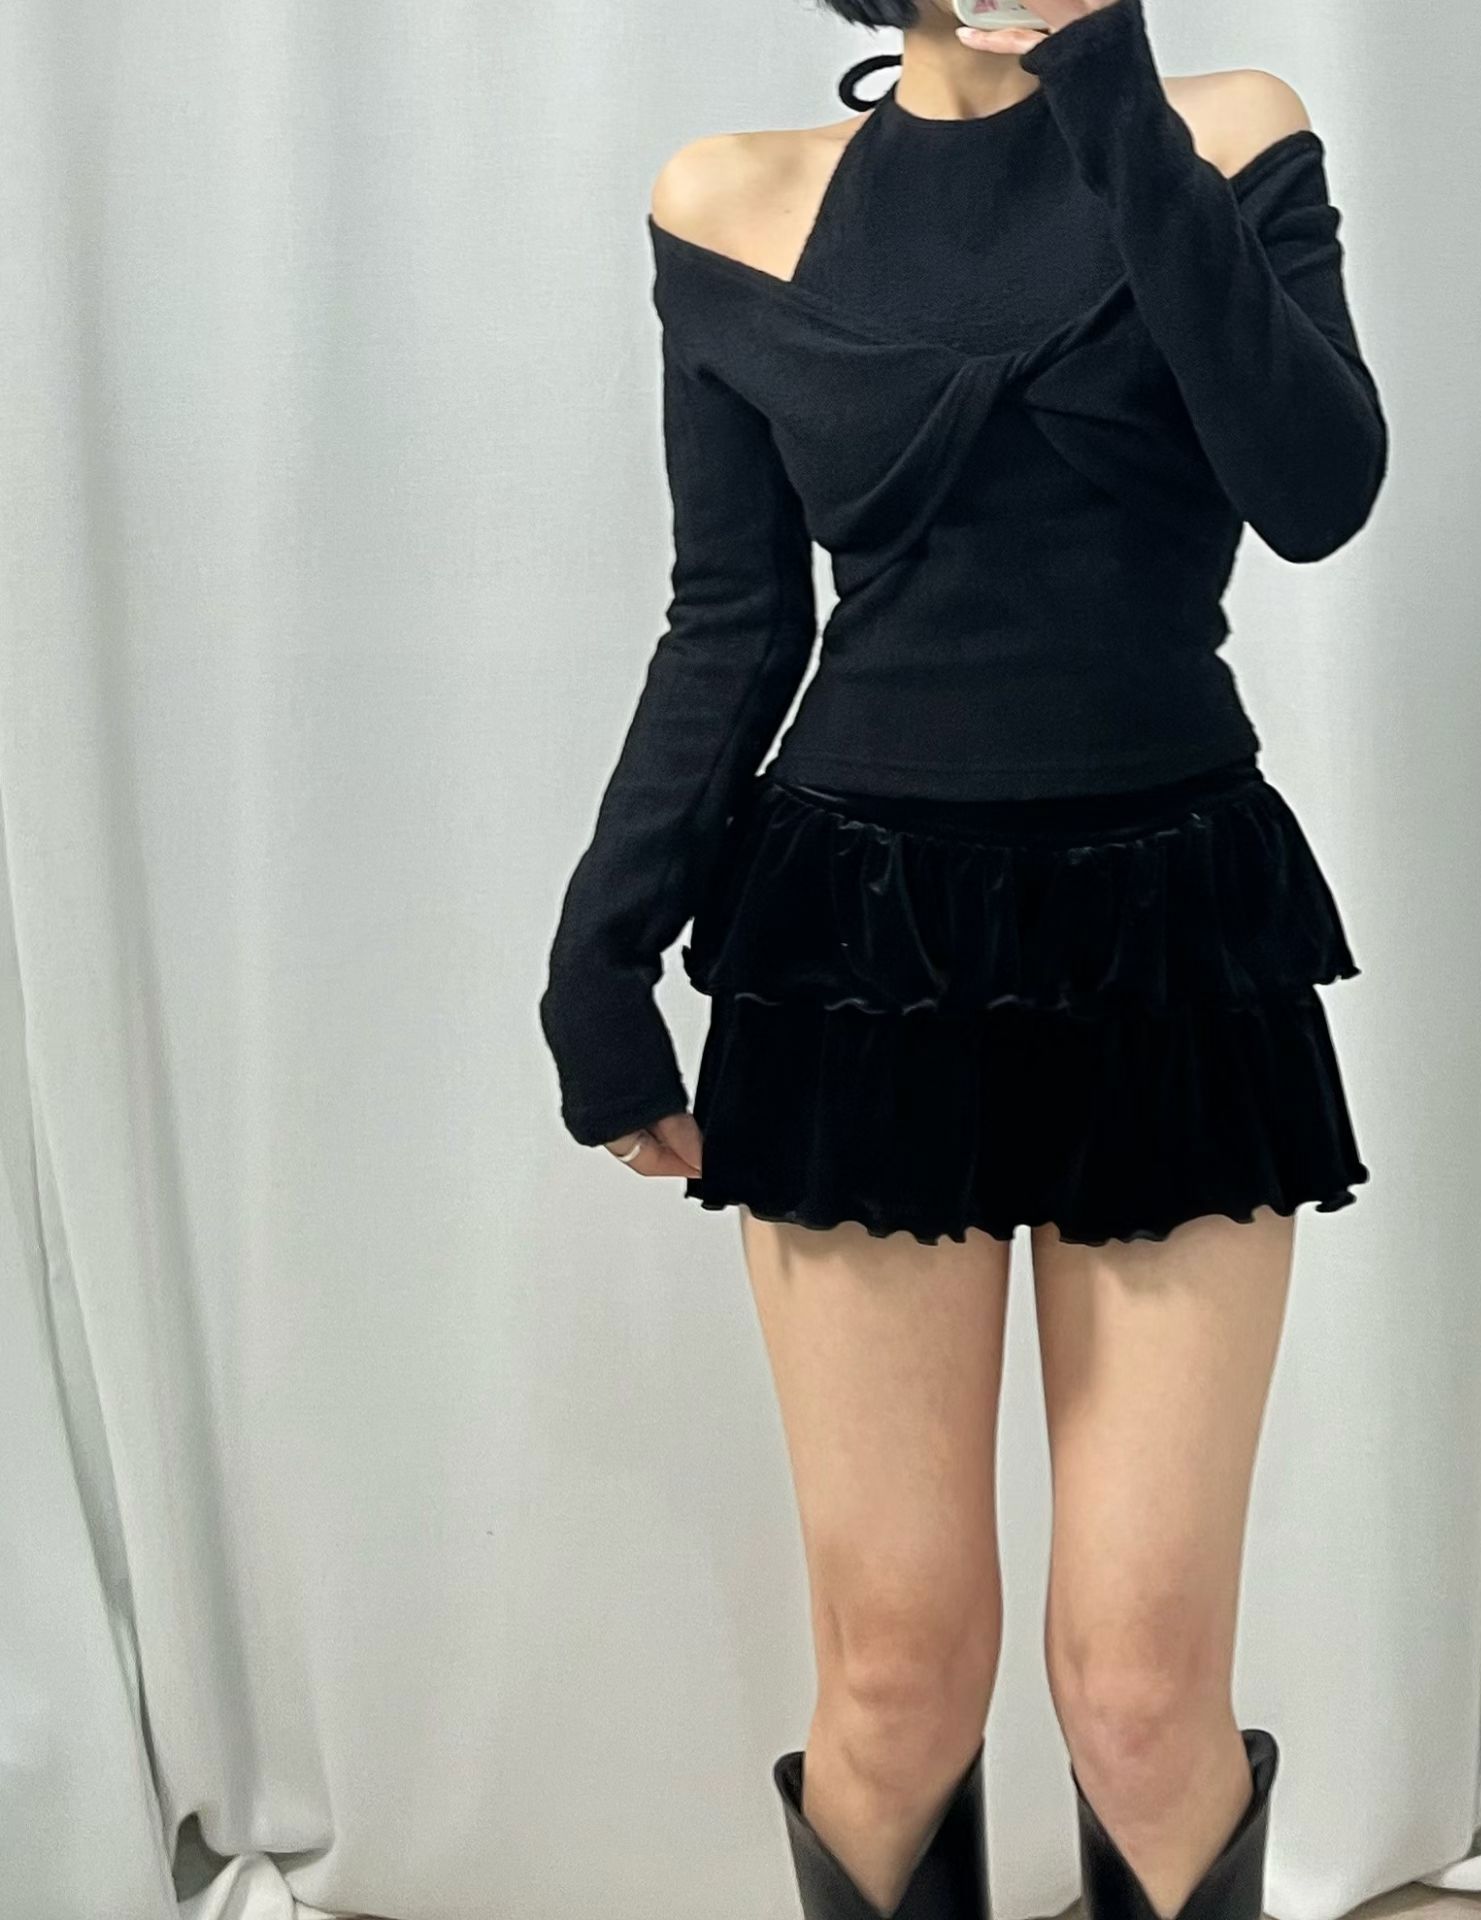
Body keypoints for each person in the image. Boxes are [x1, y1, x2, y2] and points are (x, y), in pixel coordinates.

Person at [538, 0, 1388, 1913]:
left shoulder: (1226, 135)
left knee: (1143, 1696)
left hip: (1173, 946)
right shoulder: (732, 199)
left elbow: (1318, 492)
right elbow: (730, 621)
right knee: (899, 1683)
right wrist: (602, 954)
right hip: (854, 959)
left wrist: (1110, 92)